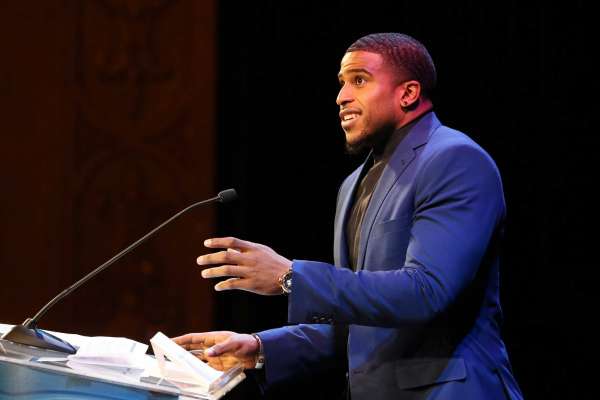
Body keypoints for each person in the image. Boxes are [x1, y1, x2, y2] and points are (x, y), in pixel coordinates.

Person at [173, 33, 523, 400]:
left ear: (408, 93)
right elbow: (359, 325)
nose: (342, 97)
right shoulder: (353, 184)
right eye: (341, 83)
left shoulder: (455, 161)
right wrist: (260, 348)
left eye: (359, 80)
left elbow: (426, 291)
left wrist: (290, 276)